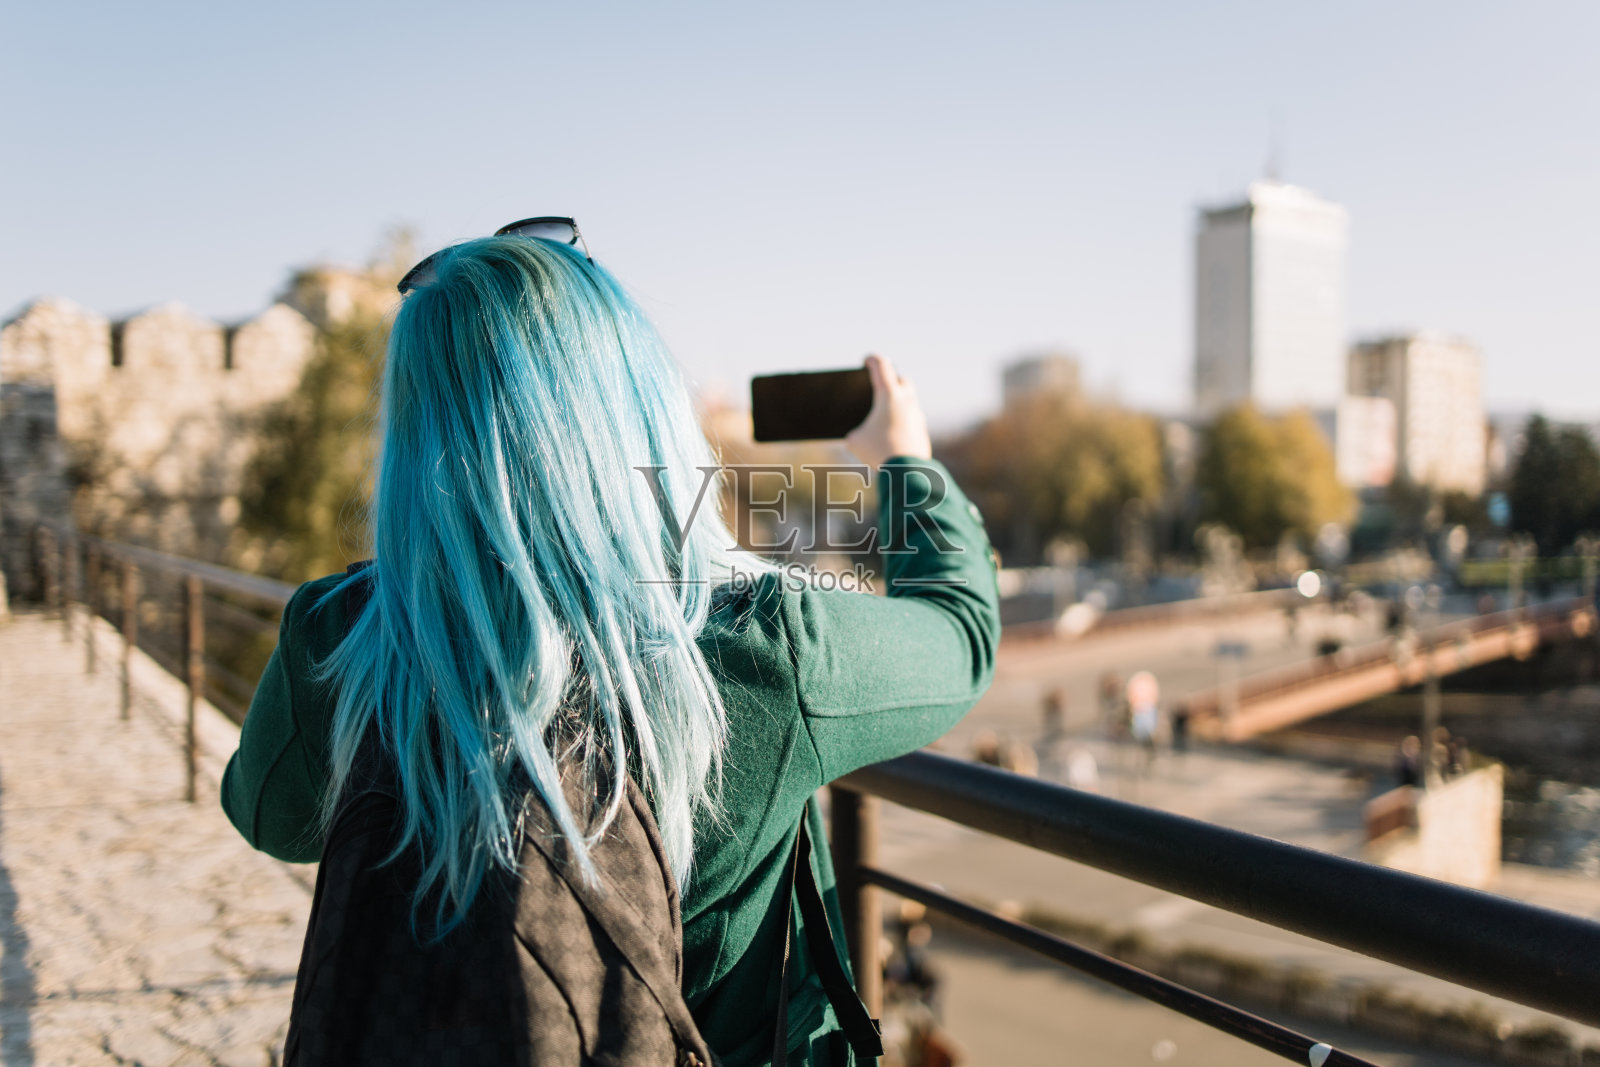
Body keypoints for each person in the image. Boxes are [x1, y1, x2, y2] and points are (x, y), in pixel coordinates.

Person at [220, 226, 1001, 1066]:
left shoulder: (337, 635)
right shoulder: (762, 646)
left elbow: (270, 815)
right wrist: (905, 467)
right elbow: (960, 629)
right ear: (642, 406)